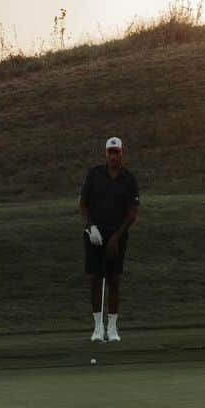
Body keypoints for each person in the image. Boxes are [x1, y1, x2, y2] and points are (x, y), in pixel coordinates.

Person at [79, 137, 140, 343]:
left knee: (114, 280)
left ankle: (112, 329)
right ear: (106, 153)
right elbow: (83, 204)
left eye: (117, 152)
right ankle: (98, 328)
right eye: (110, 152)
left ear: (121, 153)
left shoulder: (128, 179)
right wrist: (91, 226)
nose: (113, 156)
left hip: (118, 235)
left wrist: (116, 236)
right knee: (95, 280)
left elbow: (132, 213)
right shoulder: (94, 174)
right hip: (94, 235)